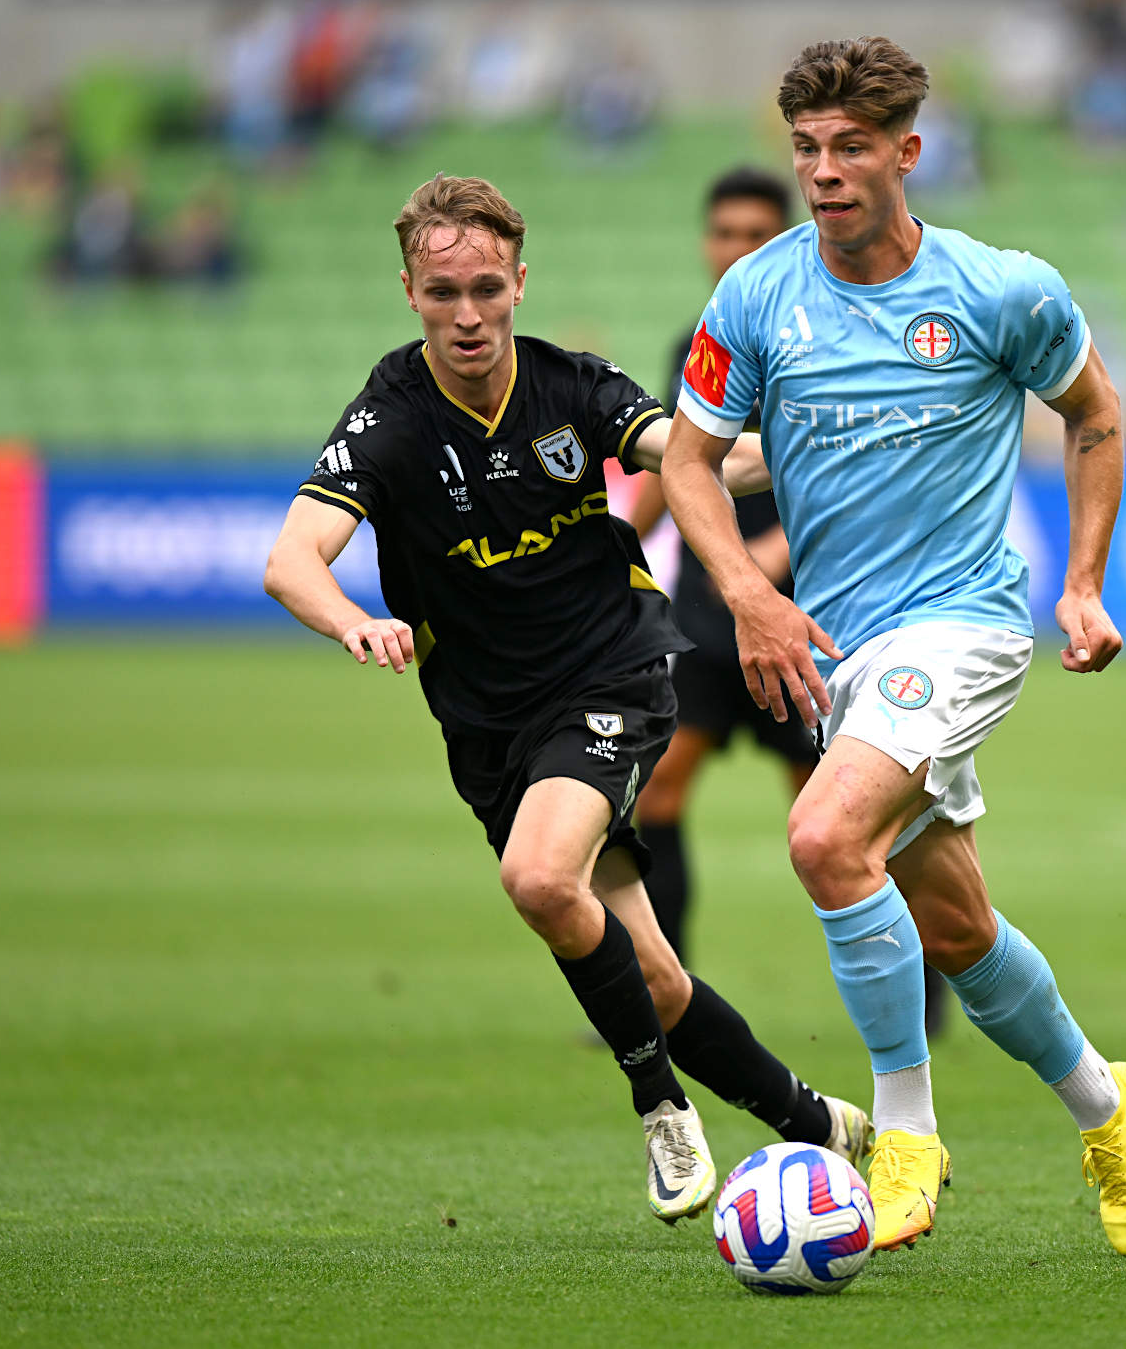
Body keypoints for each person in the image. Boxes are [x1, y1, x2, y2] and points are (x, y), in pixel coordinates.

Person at [263, 174, 870, 1226]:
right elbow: (291, 560)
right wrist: (350, 617)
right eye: (443, 291)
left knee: (539, 878)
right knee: (654, 981)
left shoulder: (573, 385)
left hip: (613, 674)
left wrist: (841, 446)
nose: (468, 315)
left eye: (487, 289)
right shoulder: (389, 419)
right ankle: (821, 1126)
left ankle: (661, 1111)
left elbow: (692, 464)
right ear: (408, 289)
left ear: (519, 282)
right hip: (488, 722)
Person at [661, 37, 1126, 1257]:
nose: (824, 173)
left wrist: (1084, 584)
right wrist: (747, 595)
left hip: (968, 622)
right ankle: (1108, 1108)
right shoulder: (756, 297)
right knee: (957, 927)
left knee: (825, 836)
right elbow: (687, 461)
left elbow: (1093, 414)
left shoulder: (1002, 290)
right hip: (847, 653)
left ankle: (902, 1132)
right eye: (806, 151)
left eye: (847, 149)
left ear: (904, 153)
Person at [624, 166, 955, 1038]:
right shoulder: (698, 342)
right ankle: (666, 990)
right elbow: (678, 463)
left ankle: (924, 991)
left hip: (811, 617)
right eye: (722, 233)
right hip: (706, 617)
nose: (734, 249)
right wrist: (616, 538)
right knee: (656, 796)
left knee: (842, 818)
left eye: (752, 235)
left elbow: (868, 476)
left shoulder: (829, 340)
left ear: (789, 239)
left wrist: (764, 559)